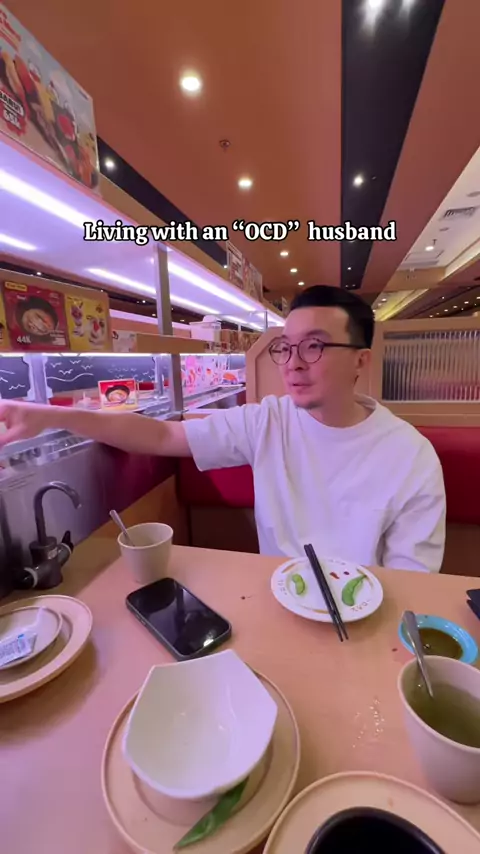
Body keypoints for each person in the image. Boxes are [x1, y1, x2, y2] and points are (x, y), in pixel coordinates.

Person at [0, 285, 445, 572]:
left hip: (364, 617)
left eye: (314, 346)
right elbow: (162, 436)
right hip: (277, 602)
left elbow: (412, 584)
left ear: (360, 360)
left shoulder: (411, 456)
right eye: (286, 347)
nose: (293, 364)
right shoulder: (267, 420)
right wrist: (51, 416)